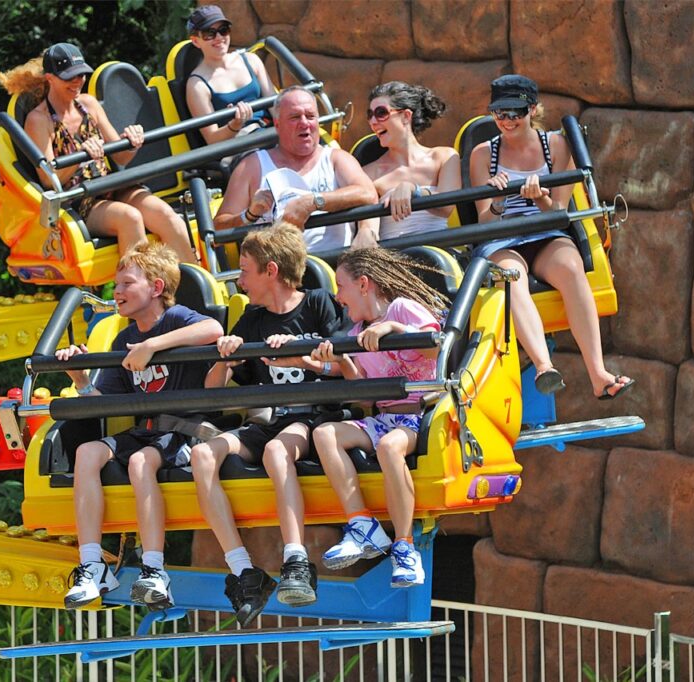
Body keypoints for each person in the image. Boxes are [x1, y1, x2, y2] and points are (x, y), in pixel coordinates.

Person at [190, 222, 347, 626]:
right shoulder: (252, 320)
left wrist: (302, 359)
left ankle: (296, 560)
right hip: (269, 421)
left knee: (278, 450)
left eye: (244, 270)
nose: (238, 279)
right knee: (203, 455)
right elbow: (213, 393)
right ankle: (244, 569)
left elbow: (348, 369)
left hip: (313, 418)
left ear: (271, 271)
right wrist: (223, 358)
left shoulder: (318, 304)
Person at [57, 243, 223, 610]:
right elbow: (103, 401)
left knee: (139, 462)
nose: (116, 293)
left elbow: (213, 328)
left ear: (157, 288)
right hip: (145, 430)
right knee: (87, 452)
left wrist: (153, 346)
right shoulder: (121, 339)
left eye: (126, 284)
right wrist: (81, 379)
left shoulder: (178, 319)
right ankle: (91, 564)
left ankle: (154, 569)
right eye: (115, 285)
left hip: (183, 432)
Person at [469, 74, 634, 400]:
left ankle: (598, 374)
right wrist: (500, 201)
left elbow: (557, 210)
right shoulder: (481, 155)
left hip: (544, 231)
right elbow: (484, 218)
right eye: (500, 114)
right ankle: (544, 368)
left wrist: (539, 197)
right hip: (502, 237)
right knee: (510, 277)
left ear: (532, 109)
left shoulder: (556, 146)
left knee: (571, 268)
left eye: (515, 112)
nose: (507, 121)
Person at [308, 247, 447, 587]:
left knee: (388, 447)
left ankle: (405, 546)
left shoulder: (401, 308)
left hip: (419, 415)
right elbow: (365, 394)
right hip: (384, 415)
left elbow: (434, 347)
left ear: (364, 284)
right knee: (325, 434)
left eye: (341, 286)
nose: (338, 297)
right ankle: (362, 524)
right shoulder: (356, 332)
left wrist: (392, 329)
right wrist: (341, 361)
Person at [0, 43, 197, 263]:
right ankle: (142, 290)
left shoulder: (89, 105)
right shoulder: (39, 120)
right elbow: (48, 180)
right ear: (50, 78)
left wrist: (131, 142)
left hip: (111, 186)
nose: (77, 82)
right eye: (69, 77)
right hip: (80, 199)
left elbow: (121, 157)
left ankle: (199, 285)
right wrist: (81, 156)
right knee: (130, 218)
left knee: (165, 214)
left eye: (81, 75)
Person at [214, 86, 378, 254]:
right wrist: (249, 215)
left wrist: (313, 202)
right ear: (277, 125)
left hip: (332, 266)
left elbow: (368, 193)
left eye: (310, 116)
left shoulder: (336, 158)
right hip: (275, 270)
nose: (304, 123)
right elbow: (218, 230)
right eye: (294, 117)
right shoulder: (252, 166)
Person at [354, 82, 461, 249]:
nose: (373, 121)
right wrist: (366, 232)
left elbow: (446, 208)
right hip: (395, 258)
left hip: (440, 252)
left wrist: (414, 190)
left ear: (405, 116)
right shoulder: (368, 173)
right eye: (370, 115)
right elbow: (369, 225)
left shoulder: (445, 157)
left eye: (381, 113)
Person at [184, 5, 275, 144]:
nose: (219, 37)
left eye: (223, 30)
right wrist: (235, 125)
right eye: (210, 33)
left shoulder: (251, 60)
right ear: (196, 41)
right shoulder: (197, 85)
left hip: (272, 133)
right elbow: (212, 139)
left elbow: (275, 106)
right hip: (239, 145)